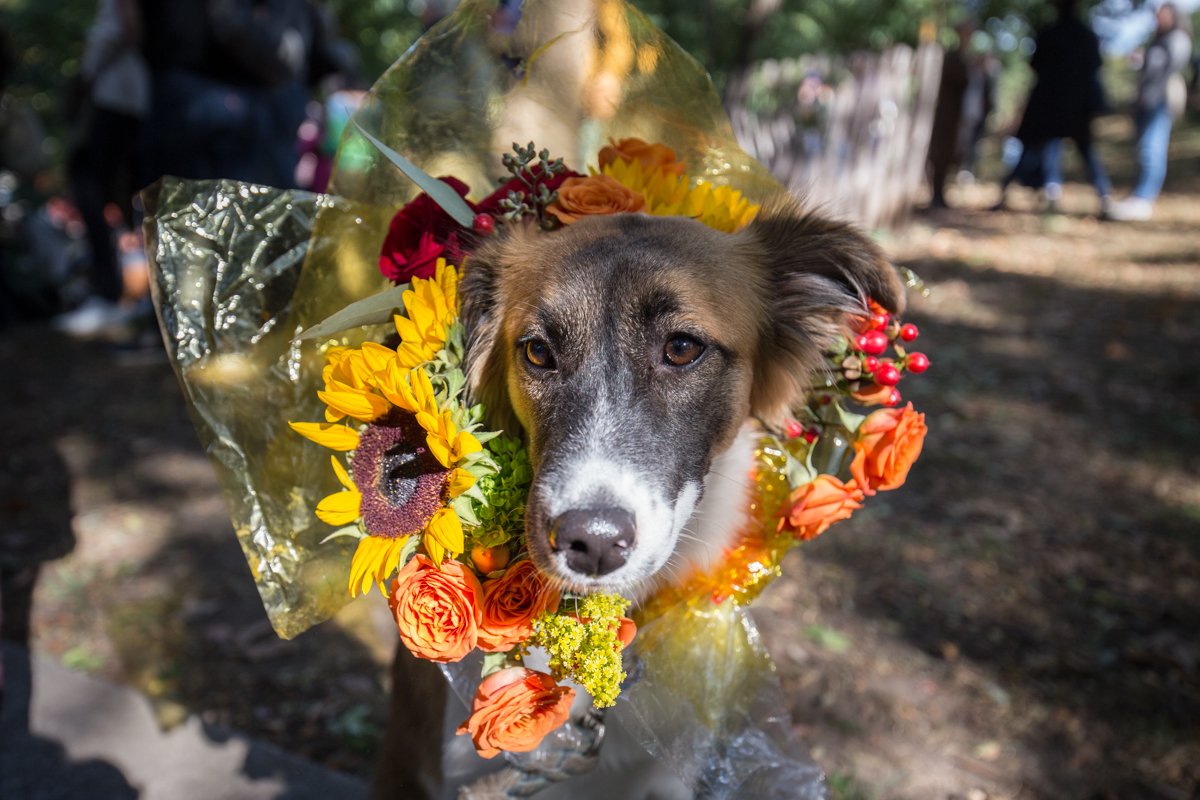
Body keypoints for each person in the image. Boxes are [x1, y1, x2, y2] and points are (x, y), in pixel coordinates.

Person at [53, 0, 150, 338]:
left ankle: (109, 295)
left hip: (117, 94)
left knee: (91, 185)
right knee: (132, 190)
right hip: (136, 93)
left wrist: (88, 75)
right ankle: (137, 298)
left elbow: (125, 26)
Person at [993, 0, 1112, 215]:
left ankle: (1006, 194)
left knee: (1031, 148)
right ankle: (1103, 198)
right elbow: (1094, 66)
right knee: (1085, 151)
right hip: (1075, 105)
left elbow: (1035, 64)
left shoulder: (1050, 34)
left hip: (1048, 102)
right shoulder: (1086, 36)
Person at [1108, 3, 1193, 221]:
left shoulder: (1177, 39)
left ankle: (1143, 199)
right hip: (1147, 101)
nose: (1157, 18)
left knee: (1151, 148)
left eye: (1162, 14)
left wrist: (1149, 64)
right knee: (1144, 148)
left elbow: (1167, 69)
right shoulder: (1159, 41)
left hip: (1160, 101)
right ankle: (1139, 195)